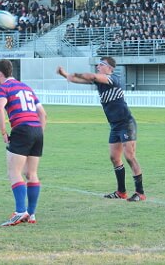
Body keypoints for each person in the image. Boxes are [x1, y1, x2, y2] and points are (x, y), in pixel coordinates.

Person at [57, 56, 146, 202]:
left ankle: (140, 192)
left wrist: (77, 73)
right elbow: (74, 79)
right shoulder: (99, 82)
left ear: (109, 68)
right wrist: (64, 74)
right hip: (115, 126)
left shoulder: (113, 78)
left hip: (126, 123)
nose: (98, 66)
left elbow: (91, 76)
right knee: (114, 158)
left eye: (101, 64)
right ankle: (121, 192)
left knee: (129, 157)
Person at [0, 59, 46, 226]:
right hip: (37, 129)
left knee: (14, 171)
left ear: (0, 74)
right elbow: (43, 114)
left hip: (21, 128)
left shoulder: (3, 88)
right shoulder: (26, 87)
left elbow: (0, 109)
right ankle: (31, 213)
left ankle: (20, 211)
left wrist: (3, 132)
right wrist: (37, 133)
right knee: (31, 173)